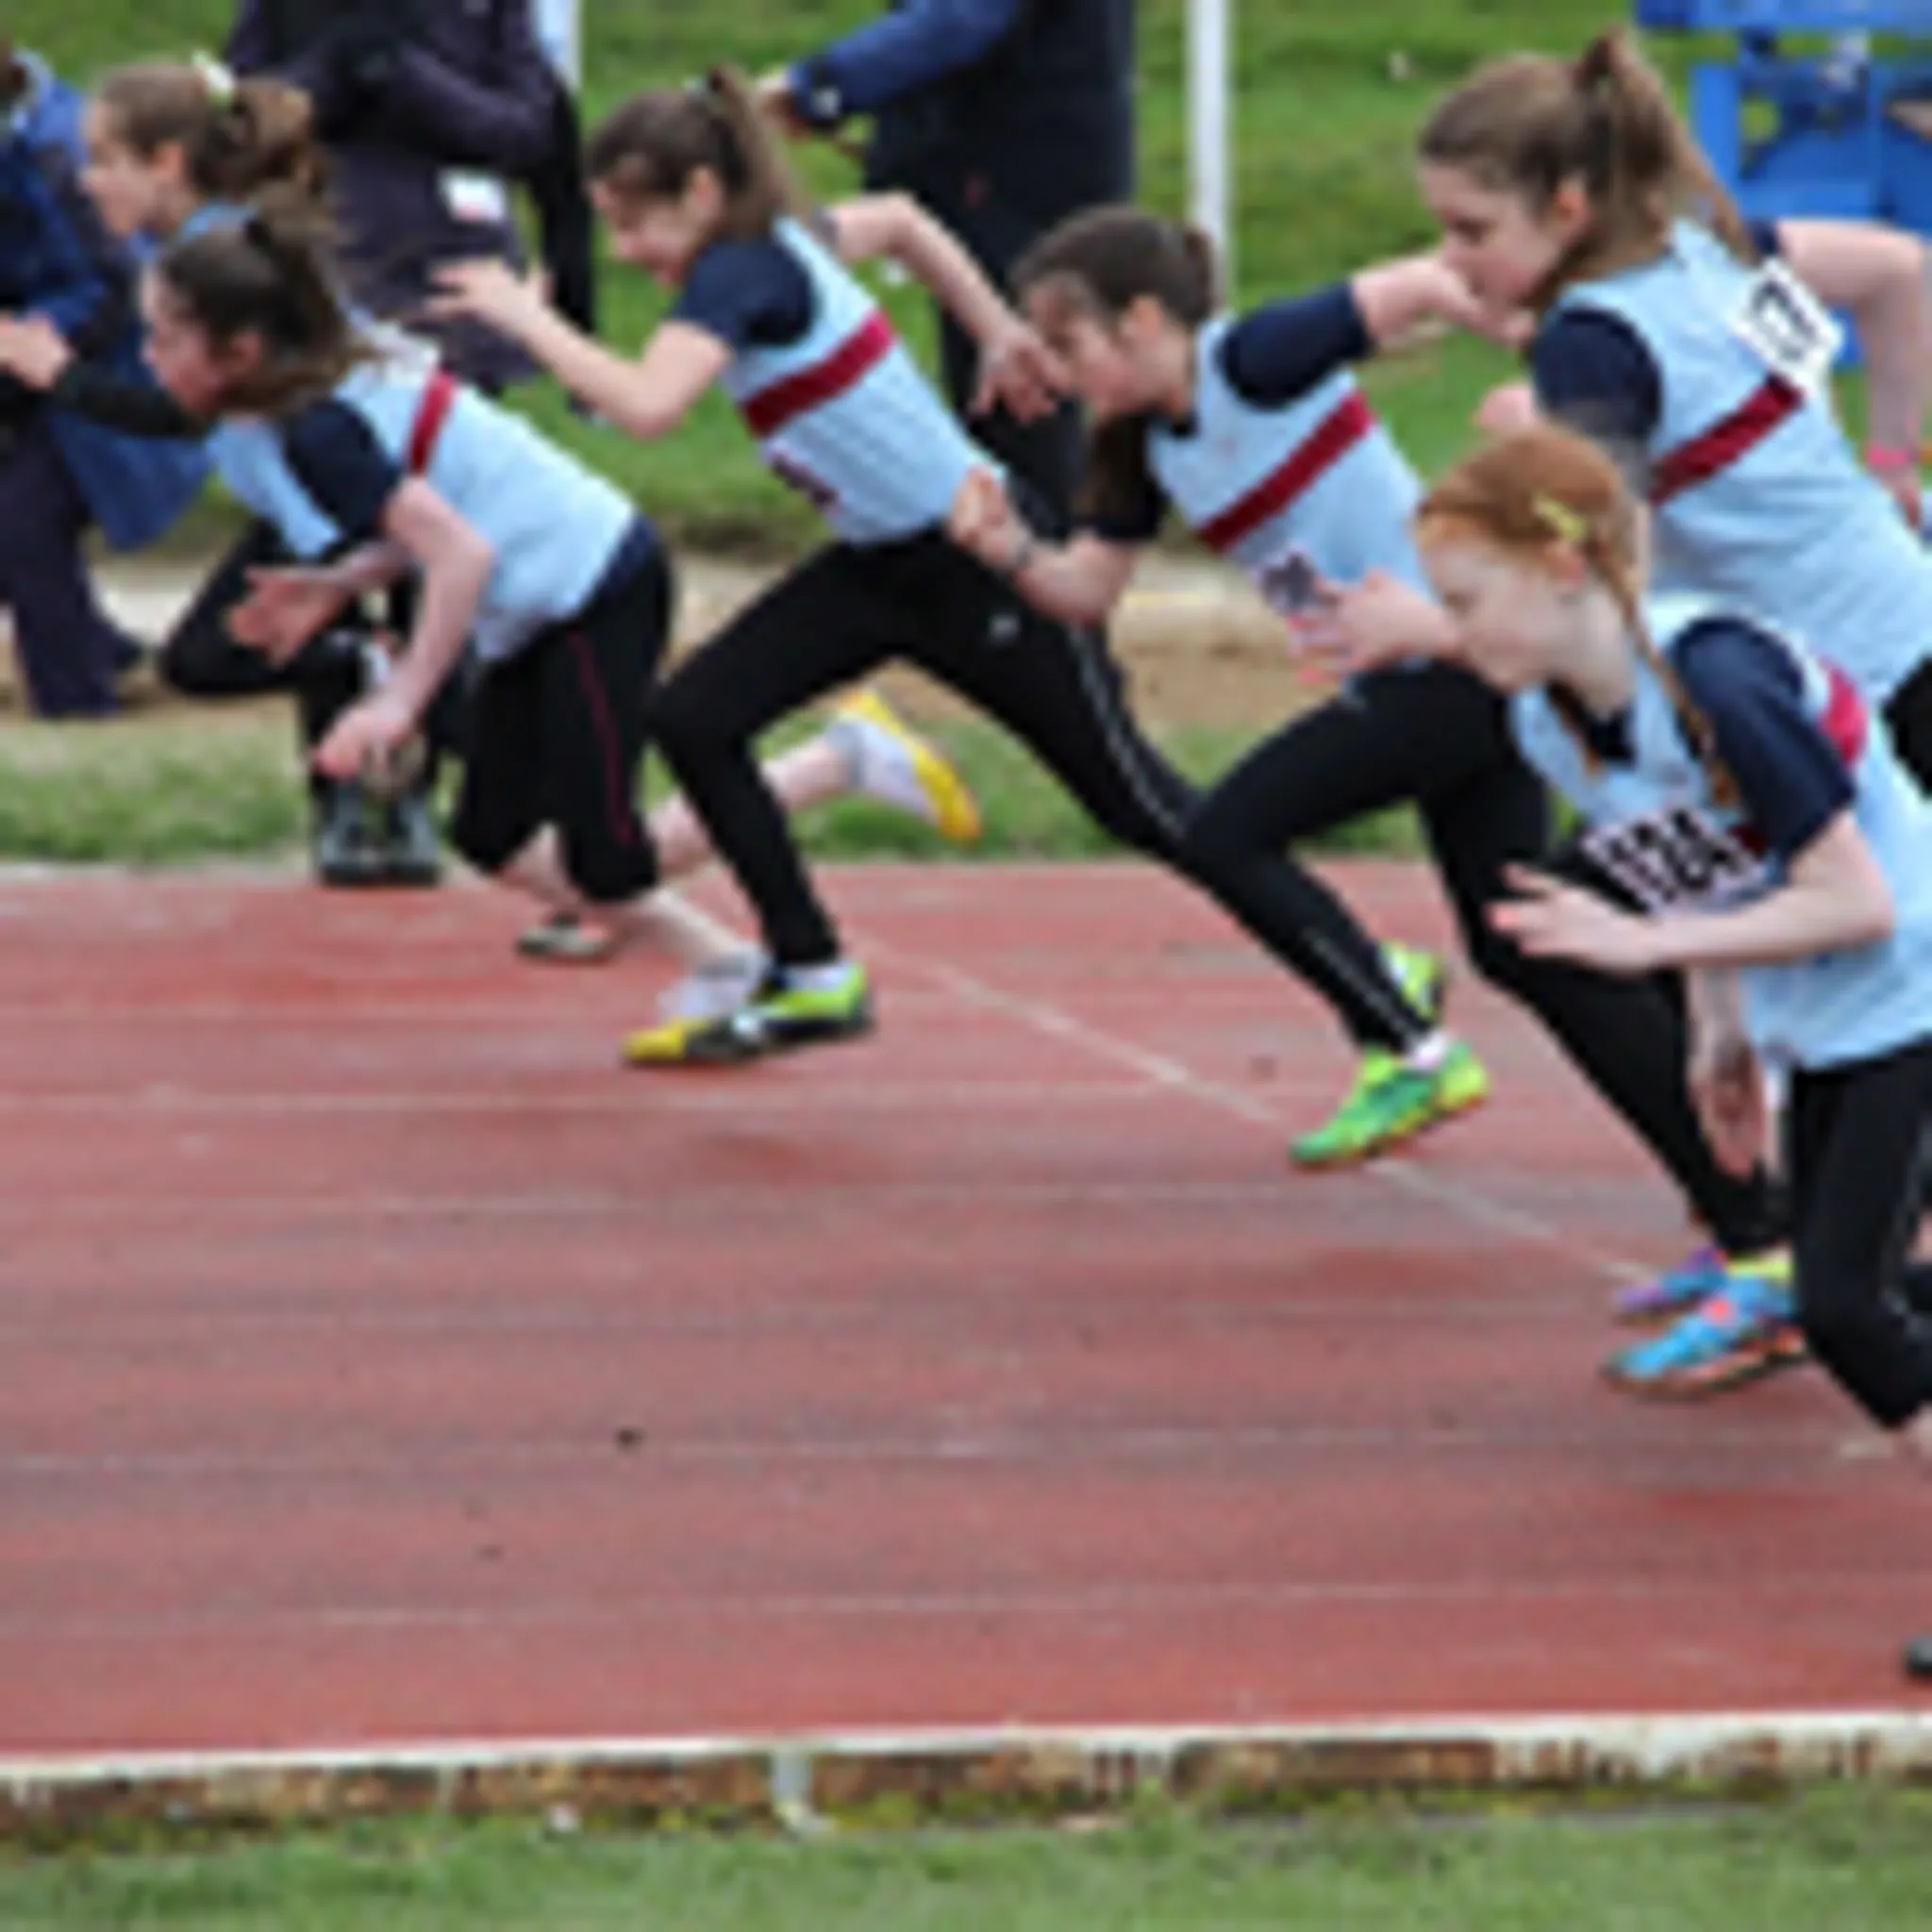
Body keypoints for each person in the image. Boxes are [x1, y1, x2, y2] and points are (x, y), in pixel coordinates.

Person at [431, 70, 1483, 1162]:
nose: (631, 252)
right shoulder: (777, 244)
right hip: (882, 565)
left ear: (700, 194)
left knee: (1145, 807)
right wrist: (990, 329)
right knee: (695, 715)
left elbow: (649, 408)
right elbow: (897, 222)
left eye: (634, 224)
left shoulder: (739, 272)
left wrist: (519, 320)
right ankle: (809, 967)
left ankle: (1375, 993)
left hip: (975, 566)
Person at [941, 203, 1793, 1253]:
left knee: (1228, 833)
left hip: (1449, 667)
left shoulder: (1249, 362)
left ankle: (1402, 1029)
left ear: (1144, 320)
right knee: (1523, 939)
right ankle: (1750, 1205)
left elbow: (1414, 284)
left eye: (1068, 344)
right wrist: (1003, 549)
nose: (1059, 375)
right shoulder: (1142, 445)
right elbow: (1083, 590)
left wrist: (1520, 340)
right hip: (1432, 678)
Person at [1407, 25, 1932, 1388]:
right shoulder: (1703, 234)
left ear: (1566, 208)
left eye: (1471, 229)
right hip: (1886, 632)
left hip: (1853, 683)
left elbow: (1592, 575)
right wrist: (1890, 462)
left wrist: (1436, 612)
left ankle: (1797, 1256)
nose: (1452, 260)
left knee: (1602, 924)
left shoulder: (1594, 337)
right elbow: (1898, 274)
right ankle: (1811, 1256)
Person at [128, 202, 979, 1018]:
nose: (148, 358)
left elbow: (464, 556)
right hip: (543, 603)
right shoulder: (305, 411)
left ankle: (821, 798)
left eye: (164, 338)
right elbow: (438, 522)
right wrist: (341, 584)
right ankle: (734, 955)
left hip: (597, 586)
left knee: (606, 861)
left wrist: (399, 698)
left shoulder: (317, 431)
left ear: (241, 351)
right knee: (491, 832)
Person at [1410, 422, 1932, 1681]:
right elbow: (1701, 867)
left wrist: (1638, 956)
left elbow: (1855, 896)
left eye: (1468, 599)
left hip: (1913, 980)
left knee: (1845, 1304)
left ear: (1563, 566)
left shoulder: (1718, 678)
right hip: (1839, 1014)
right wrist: (1718, 1026)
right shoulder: (1557, 725)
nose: (1454, 630)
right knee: (1873, 1289)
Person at [760, 0, 1134, 529]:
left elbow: (964, 17)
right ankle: (1025, 591)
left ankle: (1041, 597)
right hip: (1004, 179)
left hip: (1026, 189)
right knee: (1009, 414)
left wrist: (820, 85)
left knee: (1021, 418)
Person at [0, 43, 205, 716]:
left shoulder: (60, 153)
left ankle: (77, 704)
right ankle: (95, 648)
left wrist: (35, 337)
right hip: (42, 363)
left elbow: (113, 283)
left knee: (24, 522)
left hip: (108, 371)